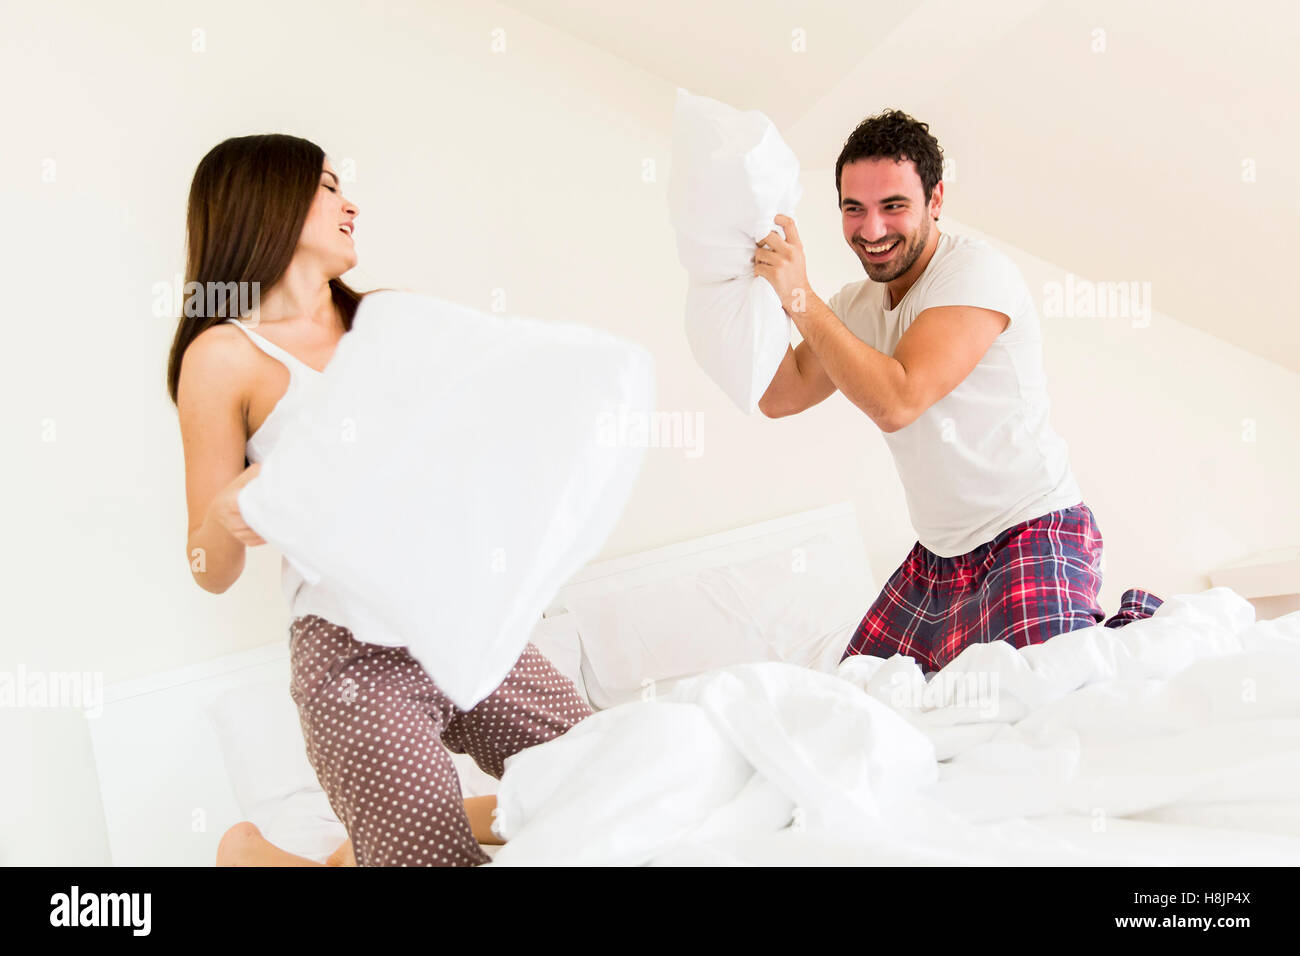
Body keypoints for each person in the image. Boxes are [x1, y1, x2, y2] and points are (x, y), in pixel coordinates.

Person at [168, 134, 591, 866]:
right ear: (265, 201)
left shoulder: (393, 320)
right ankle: (255, 856)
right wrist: (225, 516)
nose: (351, 203)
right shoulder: (224, 357)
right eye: (329, 186)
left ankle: (382, 841)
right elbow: (208, 566)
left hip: (461, 619)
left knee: (611, 779)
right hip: (351, 656)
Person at [753, 109, 1162, 674]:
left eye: (893, 206)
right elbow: (781, 397)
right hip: (938, 560)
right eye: (854, 209)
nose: (871, 231)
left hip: (1031, 529)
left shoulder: (974, 272)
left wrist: (800, 297)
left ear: (936, 198)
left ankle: (1135, 630)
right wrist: (755, 285)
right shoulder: (852, 307)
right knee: (859, 698)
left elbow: (898, 401)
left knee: (1045, 691)